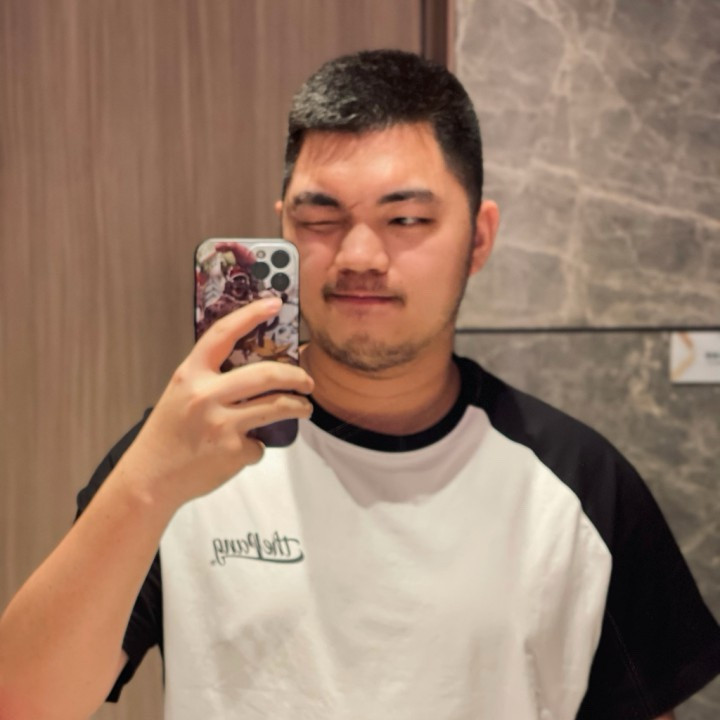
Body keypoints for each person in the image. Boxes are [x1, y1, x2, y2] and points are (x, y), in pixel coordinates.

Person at [0, 49, 719, 720]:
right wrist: (145, 485)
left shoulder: (581, 483)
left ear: (478, 237)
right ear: (283, 231)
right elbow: (22, 702)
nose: (360, 254)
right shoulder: (185, 455)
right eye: (321, 218)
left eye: (406, 219)